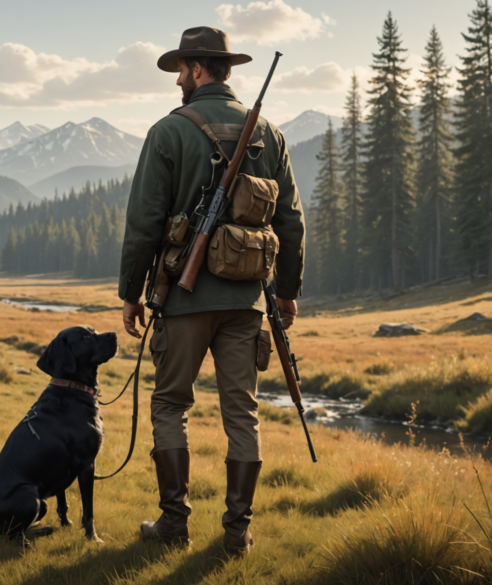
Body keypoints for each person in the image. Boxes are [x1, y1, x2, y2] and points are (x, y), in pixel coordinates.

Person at [117, 26, 305, 556]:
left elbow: (144, 222)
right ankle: (237, 532)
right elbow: (290, 221)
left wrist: (131, 292)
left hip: (182, 299)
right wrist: (287, 291)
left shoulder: (168, 131)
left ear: (198, 69)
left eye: (181, 68)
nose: (178, 78)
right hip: (248, 302)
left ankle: (174, 524)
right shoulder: (269, 131)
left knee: (170, 405)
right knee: (242, 413)